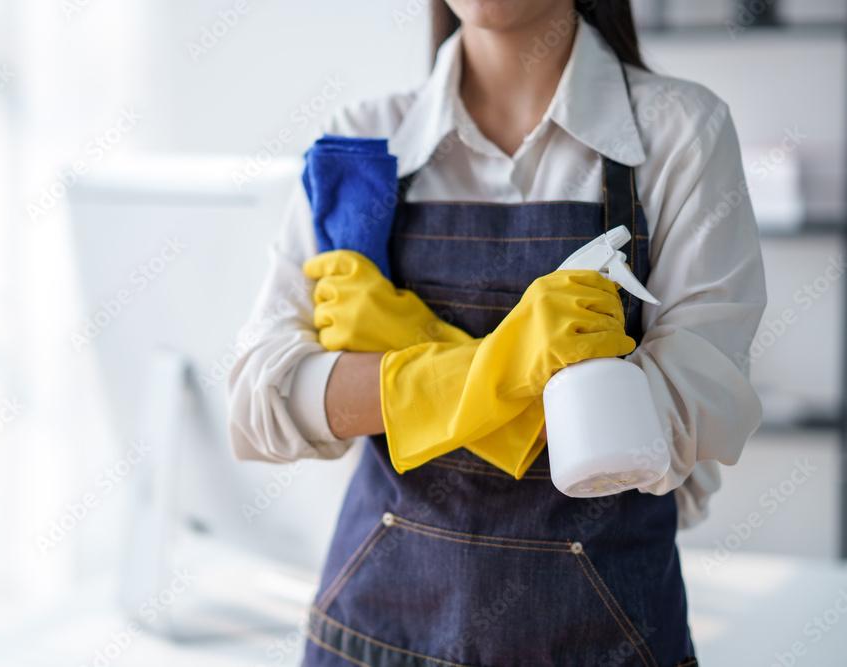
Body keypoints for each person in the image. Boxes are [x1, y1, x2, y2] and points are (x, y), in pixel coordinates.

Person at [228, 1, 766, 664]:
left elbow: (693, 415)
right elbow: (260, 405)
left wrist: (399, 353)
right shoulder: (365, 143)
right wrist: (508, 365)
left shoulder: (680, 133)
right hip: (372, 636)